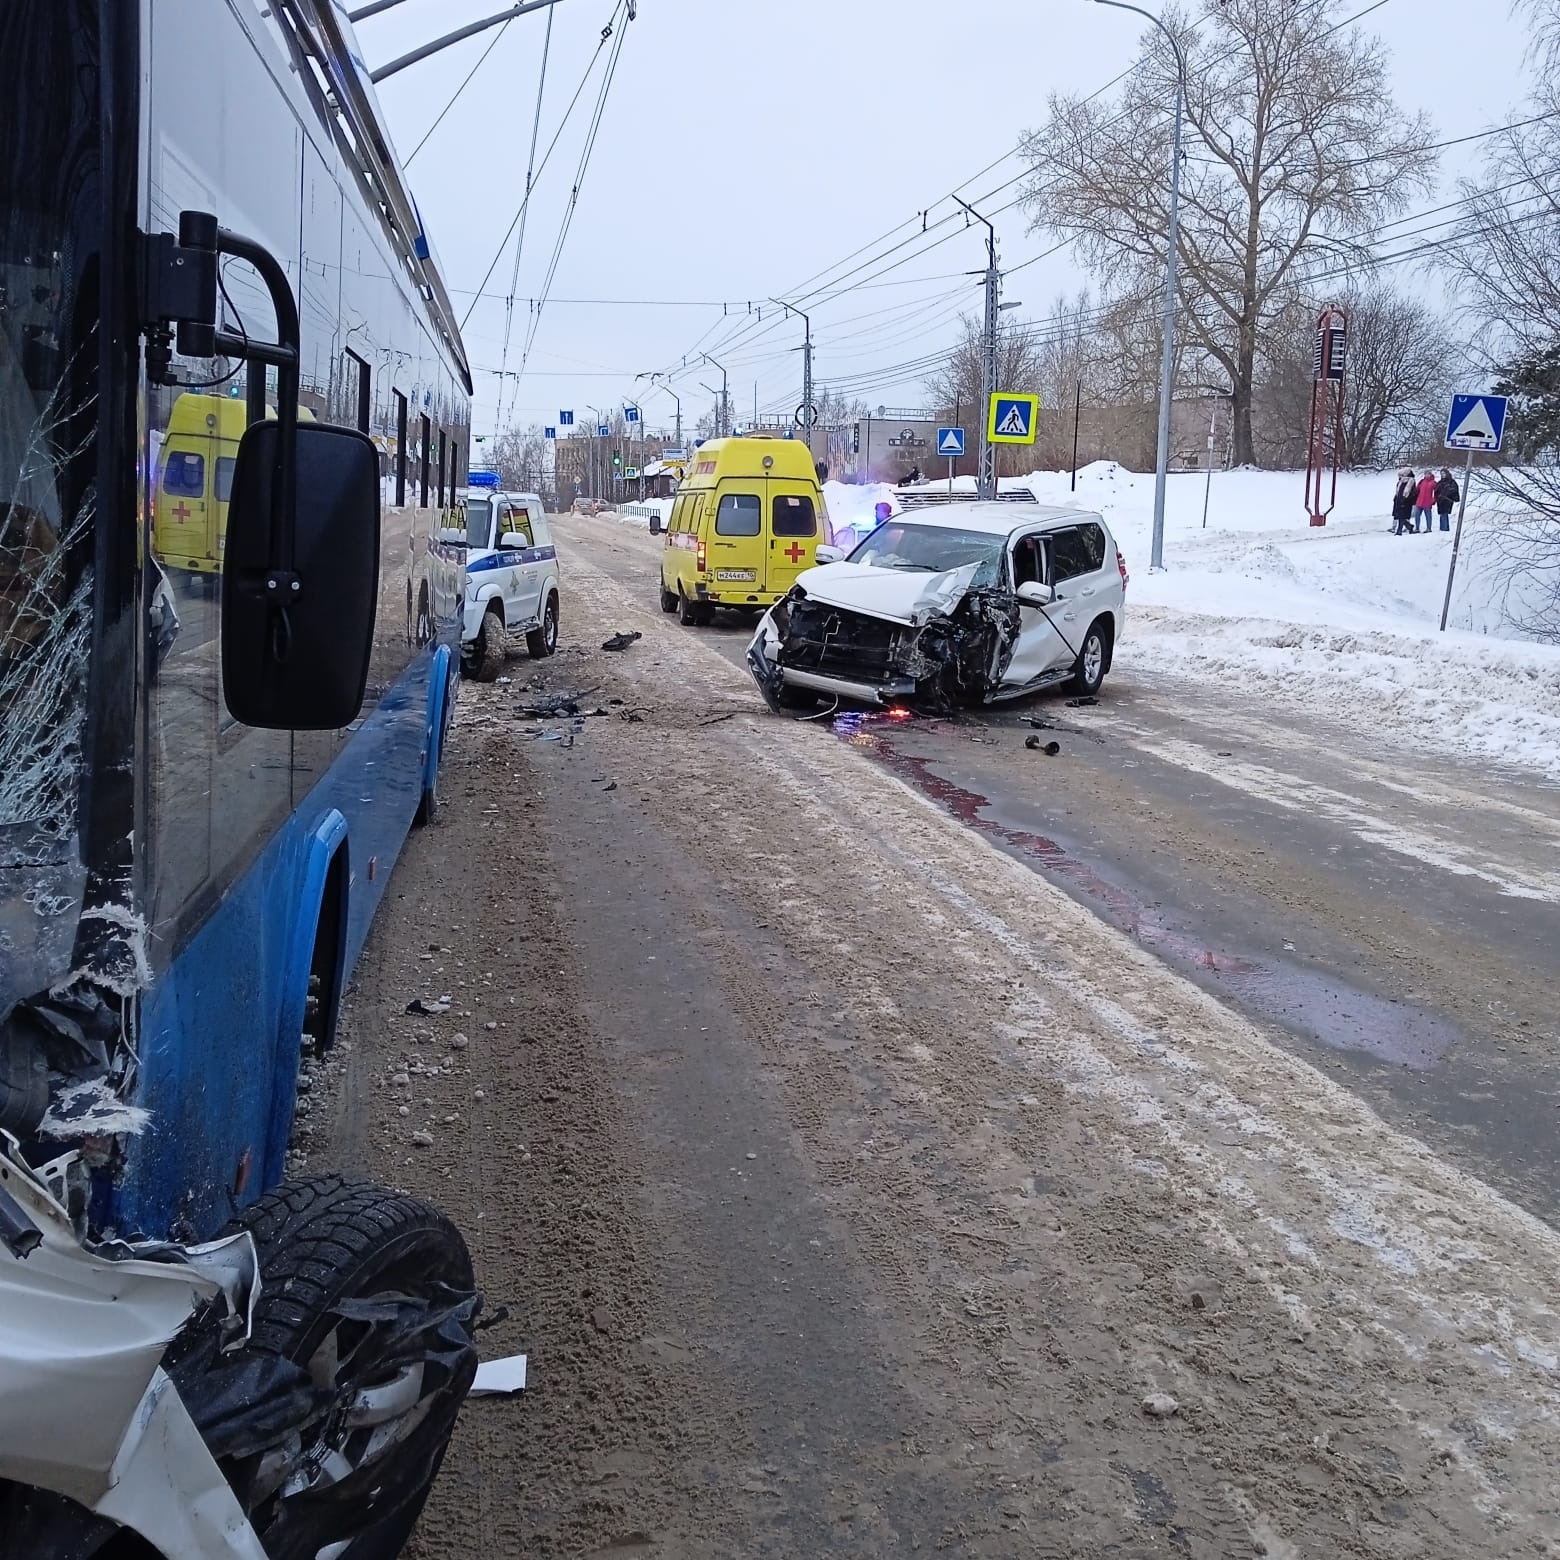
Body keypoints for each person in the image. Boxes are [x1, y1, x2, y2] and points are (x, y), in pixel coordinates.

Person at [1391, 468, 1416, 535]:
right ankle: (1409, 527)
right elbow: (1398, 491)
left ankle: (1399, 531)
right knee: (1400, 516)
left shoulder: (1411, 481)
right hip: (1399, 500)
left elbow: (1410, 492)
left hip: (1407, 501)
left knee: (1402, 516)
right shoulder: (1401, 482)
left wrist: (1405, 499)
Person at [1435, 466, 1460, 531]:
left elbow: (1454, 490)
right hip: (1440, 500)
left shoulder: (1451, 482)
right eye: (1441, 474)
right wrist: (1437, 497)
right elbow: (1436, 490)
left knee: (1444, 514)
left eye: (1444, 473)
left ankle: (1444, 528)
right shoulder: (1440, 482)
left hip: (1447, 500)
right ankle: (1443, 528)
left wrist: (1449, 496)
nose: (1442, 475)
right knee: (1442, 514)